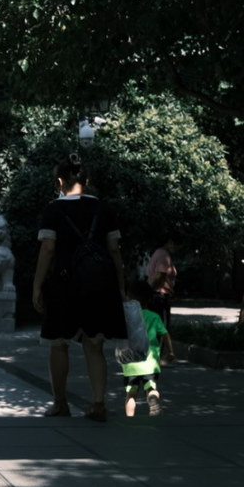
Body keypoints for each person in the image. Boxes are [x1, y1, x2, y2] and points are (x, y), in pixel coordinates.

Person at [33, 153, 127, 422]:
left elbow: (48, 249)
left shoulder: (54, 209)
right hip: (100, 284)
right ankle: (98, 405)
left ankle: (60, 403)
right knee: (94, 345)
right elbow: (114, 251)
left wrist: (37, 285)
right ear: (87, 180)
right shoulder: (103, 209)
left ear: (60, 181)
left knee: (58, 344)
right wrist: (120, 287)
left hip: (64, 284)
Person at [122, 280, 175, 417]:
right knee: (151, 388)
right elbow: (165, 335)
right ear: (149, 299)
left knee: (131, 394)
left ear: (129, 296)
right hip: (150, 364)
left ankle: (130, 419)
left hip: (131, 363)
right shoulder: (154, 317)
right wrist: (169, 352)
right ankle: (153, 398)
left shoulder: (127, 317)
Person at [146, 233, 178, 332]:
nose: (177, 250)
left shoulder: (158, 253)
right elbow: (158, 275)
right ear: (170, 242)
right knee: (162, 330)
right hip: (160, 297)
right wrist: (148, 291)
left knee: (155, 329)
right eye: (178, 246)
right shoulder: (164, 255)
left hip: (157, 296)